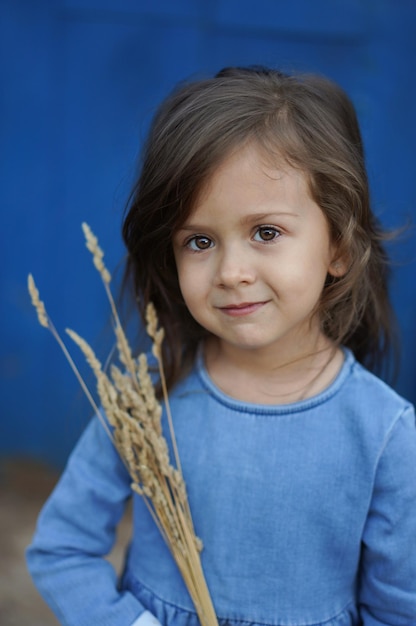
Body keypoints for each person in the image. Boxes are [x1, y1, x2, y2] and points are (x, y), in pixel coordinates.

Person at [26, 66, 416, 625]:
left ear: (339, 246)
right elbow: (61, 548)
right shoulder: (146, 402)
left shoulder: (384, 435)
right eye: (200, 241)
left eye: (266, 232)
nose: (231, 271)